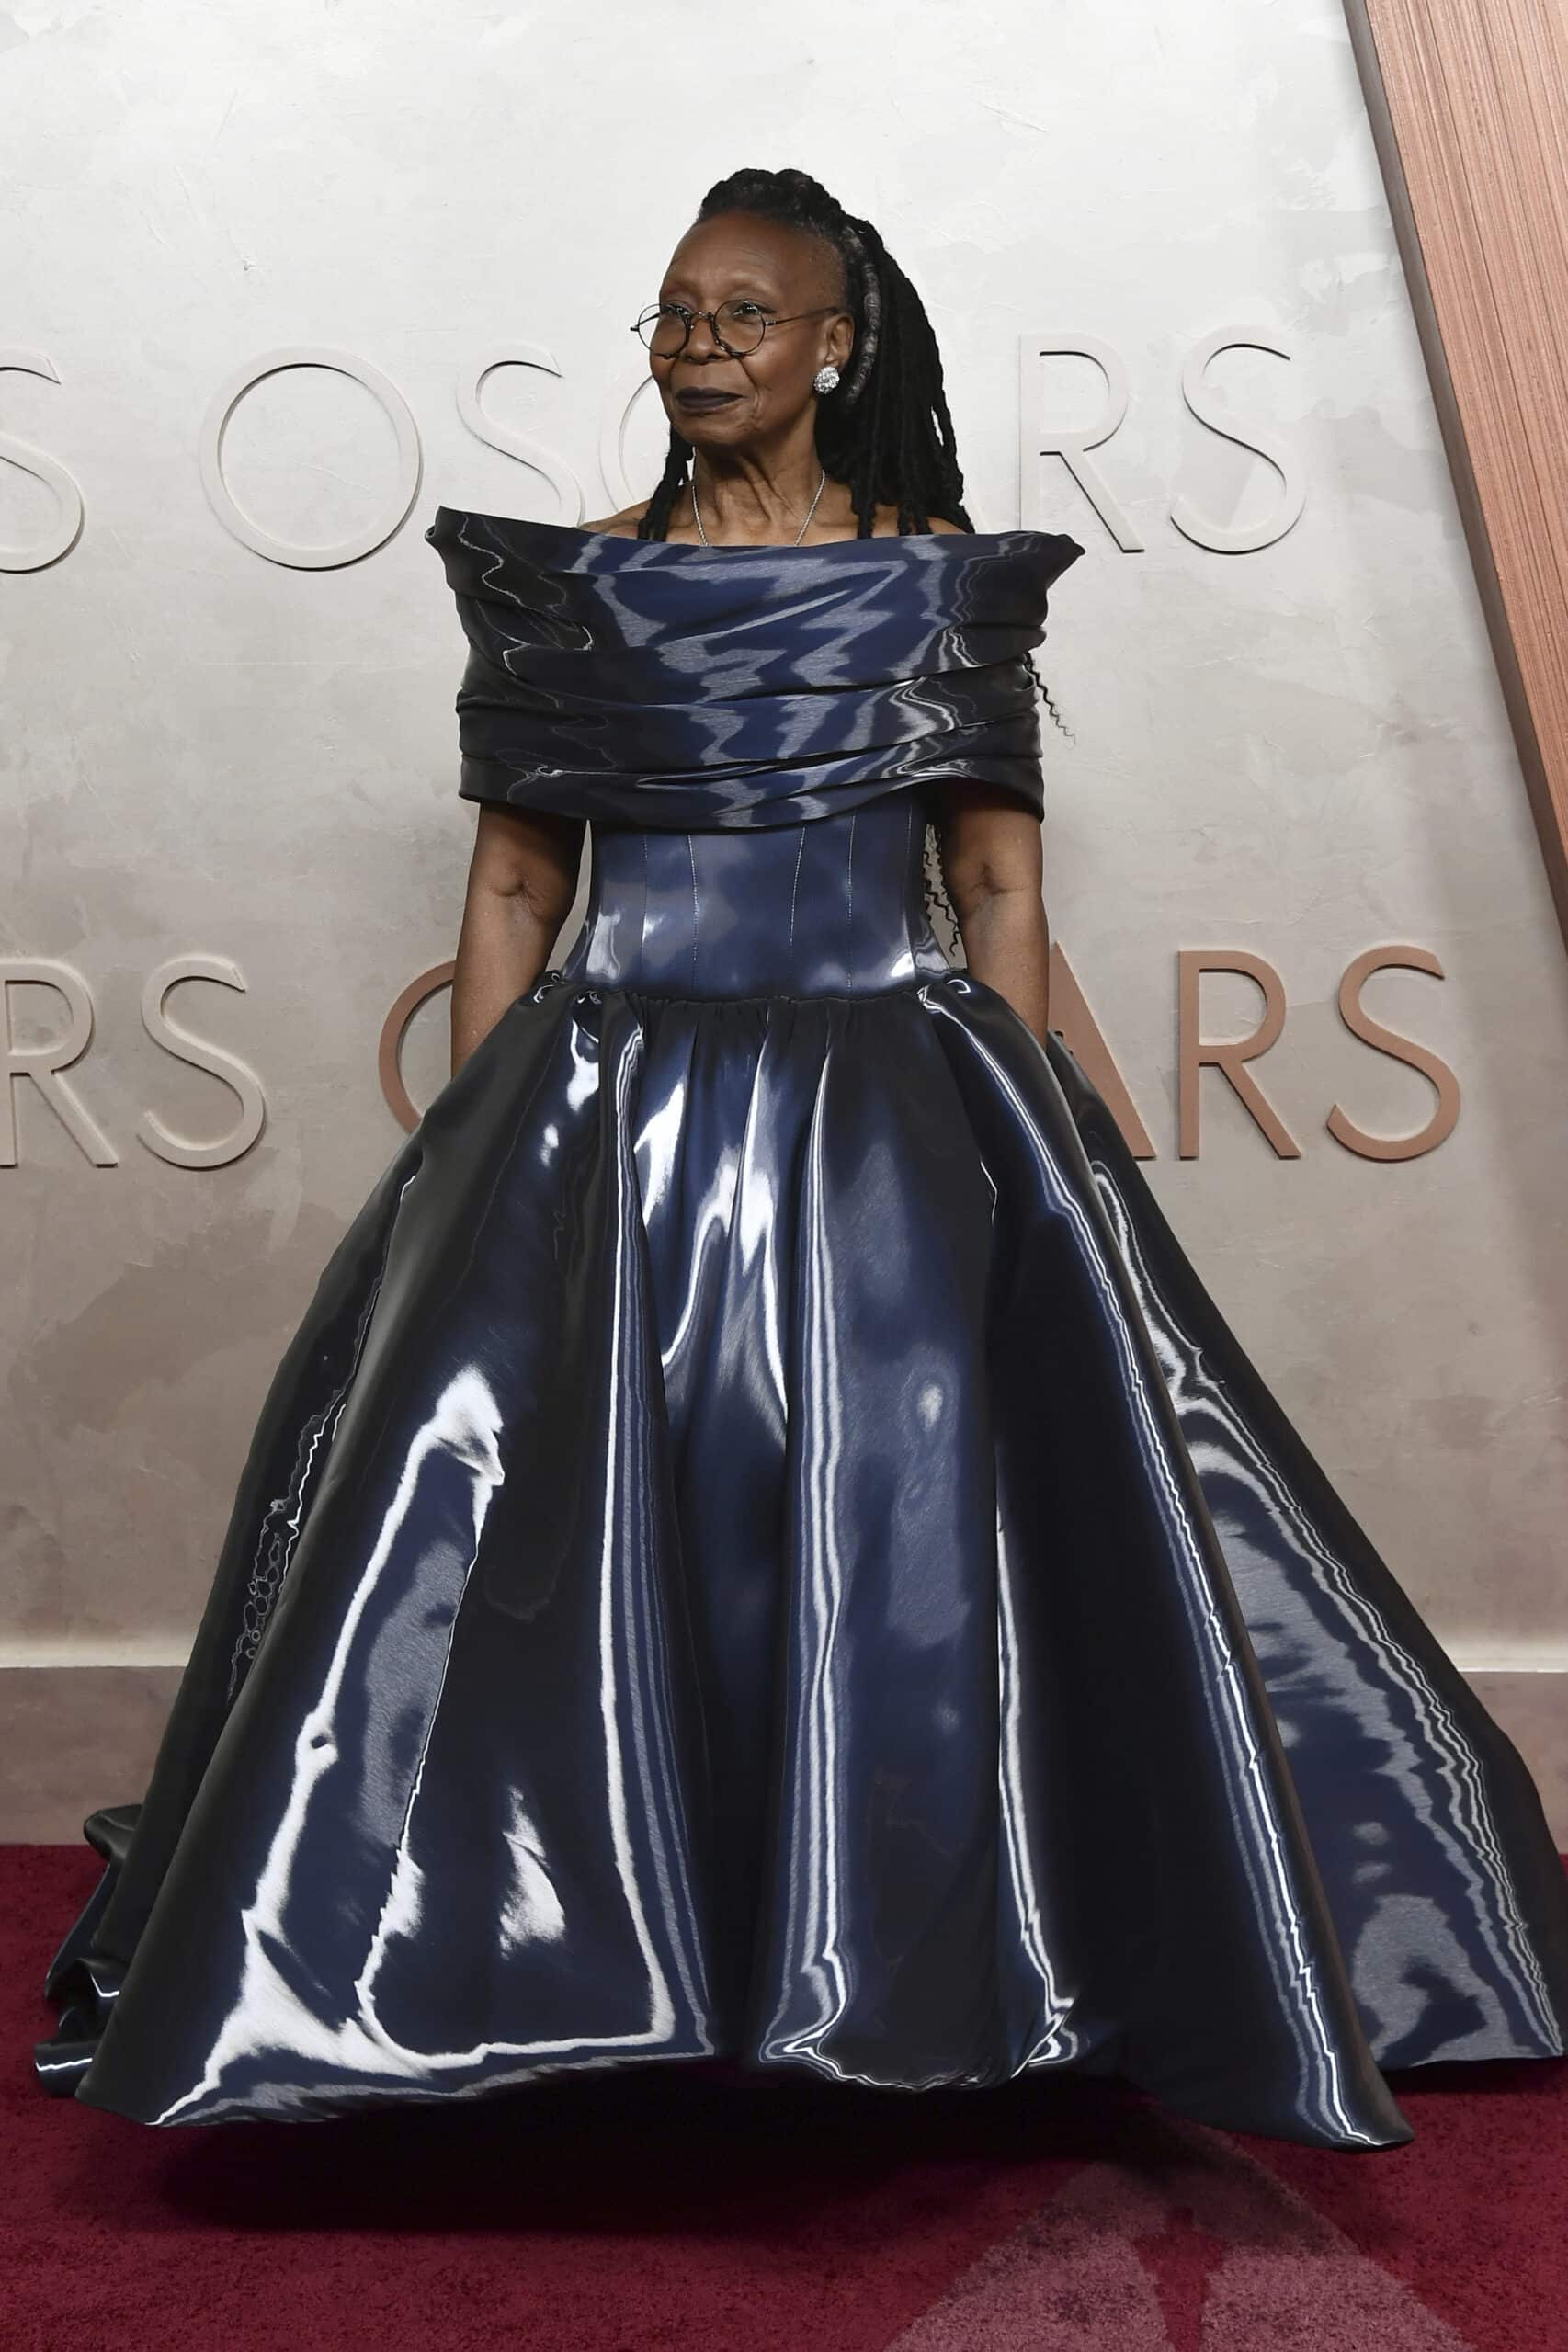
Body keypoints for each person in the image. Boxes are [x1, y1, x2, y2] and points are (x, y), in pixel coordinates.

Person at [35, 165, 1568, 2151]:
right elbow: (513, 880)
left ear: (834, 340)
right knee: (545, 1564)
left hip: (886, 1114)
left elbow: (995, 880)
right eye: (674, 313)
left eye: (742, 314)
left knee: (899, 1550)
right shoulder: (571, 578)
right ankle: (535, 1970)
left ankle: (940, 1967)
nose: (696, 345)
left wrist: (1040, 1153)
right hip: (601, 1112)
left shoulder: (935, 579)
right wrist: (475, 1155)